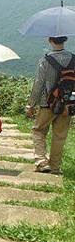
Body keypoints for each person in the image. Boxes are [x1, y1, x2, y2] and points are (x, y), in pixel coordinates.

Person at [26, 36, 73, 174]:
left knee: (38, 130)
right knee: (60, 136)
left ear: (50, 41)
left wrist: (31, 105)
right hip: (67, 105)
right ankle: (55, 167)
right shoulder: (74, 59)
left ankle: (41, 161)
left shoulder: (45, 60)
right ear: (65, 40)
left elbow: (38, 84)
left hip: (48, 104)